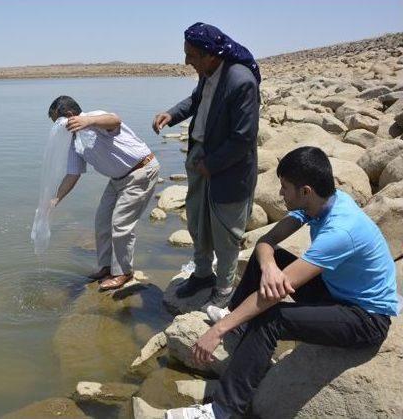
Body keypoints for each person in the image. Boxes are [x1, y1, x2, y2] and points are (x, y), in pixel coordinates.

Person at [166, 146, 399, 419]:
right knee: (268, 257)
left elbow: (272, 296)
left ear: (306, 191)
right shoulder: (320, 204)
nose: (280, 193)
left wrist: (216, 331)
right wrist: (269, 266)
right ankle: (238, 322)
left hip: (366, 318)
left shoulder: (341, 230)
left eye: (284, 187)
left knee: (271, 319)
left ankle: (223, 410)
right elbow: (266, 242)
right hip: (337, 292)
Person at [152, 22, 261, 310]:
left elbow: (243, 139)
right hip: (203, 160)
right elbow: (196, 100)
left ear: (210, 54)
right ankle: (202, 275)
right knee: (198, 221)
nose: (187, 61)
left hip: (228, 169)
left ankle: (224, 289)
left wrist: (211, 165)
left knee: (226, 232)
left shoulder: (241, 81)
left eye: (192, 56)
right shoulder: (209, 73)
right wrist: (171, 115)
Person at [48, 96, 160, 290]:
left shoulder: (95, 118)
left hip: (141, 171)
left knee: (120, 224)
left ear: (69, 115)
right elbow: (73, 174)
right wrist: (54, 200)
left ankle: (123, 272)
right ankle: (107, 267)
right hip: (118, 180)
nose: (58, 128)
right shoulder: (75, 141)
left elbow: (115, 120)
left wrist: (87, 121)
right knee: (102, 221)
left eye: (58, 122)